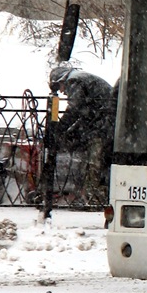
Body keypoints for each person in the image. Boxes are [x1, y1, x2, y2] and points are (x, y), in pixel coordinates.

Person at [48, 62, 116, 205]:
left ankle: (93, 199)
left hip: (104, 125)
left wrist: (59, 128)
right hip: (106, 122)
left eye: (59, 88)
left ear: (61, 80)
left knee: (94, 162)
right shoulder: (82, 78)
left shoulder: (74, 81)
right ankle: (92, 196)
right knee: (97, 161)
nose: (62, 92)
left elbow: (75, 109)